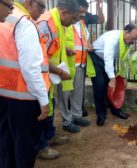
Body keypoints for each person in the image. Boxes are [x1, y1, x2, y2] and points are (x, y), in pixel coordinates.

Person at [0, 0, 50, 166]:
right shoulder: (24, 23)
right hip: (24, 99)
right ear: (29, 3)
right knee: (25, 149)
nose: (43, 12)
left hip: (3, 94)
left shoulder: (6, 18)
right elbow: (30, 69)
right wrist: (44, 101)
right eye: (41, 6)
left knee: (5, 146)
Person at [37, 0, 81, 159]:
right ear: (64, 12)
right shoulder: (47, 25)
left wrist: (66, 49)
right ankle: (41, 146)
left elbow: (53, 47)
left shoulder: (59, 23)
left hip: (49, 78)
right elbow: (39, 58)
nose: (74, 23)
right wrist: (60, 72)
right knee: (41, 111)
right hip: (41, 78)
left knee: (50, 106)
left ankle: (50, 136)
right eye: (74, 18)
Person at [91, 23, 137, 126]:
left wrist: (123, 76)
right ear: (126, 32)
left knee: (116, 86)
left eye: (135, 39)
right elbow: (108, 57)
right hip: (97, 59)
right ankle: (101, 114)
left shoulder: (126, 43)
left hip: (109, 60)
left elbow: (124, 60)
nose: (133, 41)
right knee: (100, 85)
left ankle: (116, 110)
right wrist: (112, 79)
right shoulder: (112, 38)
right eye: (133, 38)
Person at [57, 0, 95, 134]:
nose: (82, 14)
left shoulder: (82, 23)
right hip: (67, 64)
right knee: (64, 93)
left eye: (84, 12)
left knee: (78, 93)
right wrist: (65, 48)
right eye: (81, 11)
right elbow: (58, 40)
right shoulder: (65, 22)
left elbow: (85, 39)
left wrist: (88, 45)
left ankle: (76, 115)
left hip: (81, 63)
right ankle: (67, 121)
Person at [80, 0, 105, 117]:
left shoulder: (86, 16)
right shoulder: (67, 15)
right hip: (70, 56)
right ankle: (74, 108)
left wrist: (99, 6)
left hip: (84, 55)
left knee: (80, 82)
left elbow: (101, 20)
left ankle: (79, 107)